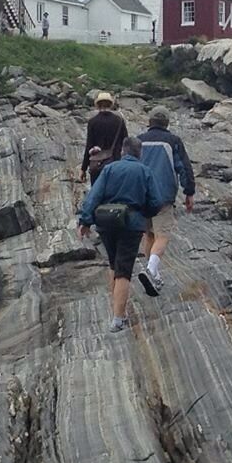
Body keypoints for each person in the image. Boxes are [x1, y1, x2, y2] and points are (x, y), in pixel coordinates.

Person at [77, 138, 171, 332]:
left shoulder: (110, 169)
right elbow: (156, 202)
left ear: (122, 152)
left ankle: (116, 309)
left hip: (105, 222)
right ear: (139, 154)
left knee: (113, 264)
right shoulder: (145, 171)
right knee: (124, 270)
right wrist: (143, 214)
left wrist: (85, 220)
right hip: (131, 224)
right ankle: (118, 319)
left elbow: (94, 195)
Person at [133, 107, 196, 297]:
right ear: (167, 123)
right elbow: (184, 167)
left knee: (149, 235)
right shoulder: (173, 141)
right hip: (163, 196)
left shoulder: (139, 141)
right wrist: (189, 191)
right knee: (162, 236)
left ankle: (152, 272)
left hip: (141, 196)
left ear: (149, 121)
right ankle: (151, 269)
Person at [81, 91, 127, 183]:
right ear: (111, 104)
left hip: (97, 164)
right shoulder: (119, 121)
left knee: (97, 193)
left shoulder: (93, 122)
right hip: (116, 162)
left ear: (97, 105)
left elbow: (89, 145)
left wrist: (84, 168)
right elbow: (126, 142)